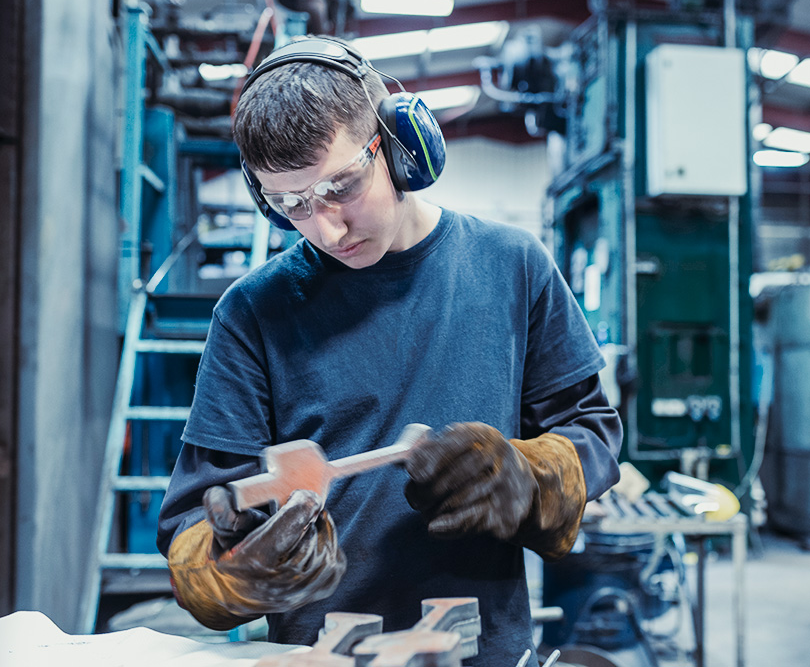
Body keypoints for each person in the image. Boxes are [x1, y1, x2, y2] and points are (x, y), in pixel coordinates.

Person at [157, 35, 622, 667]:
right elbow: (194, 522)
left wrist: (525, 476)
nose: (326, 228)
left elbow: (590, 431)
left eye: (341, 186)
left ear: (401, 146)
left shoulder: (513, 266)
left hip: (481, 650)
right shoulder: (252, 313)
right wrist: (232, 568)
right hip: (324, 655)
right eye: (290, 204)